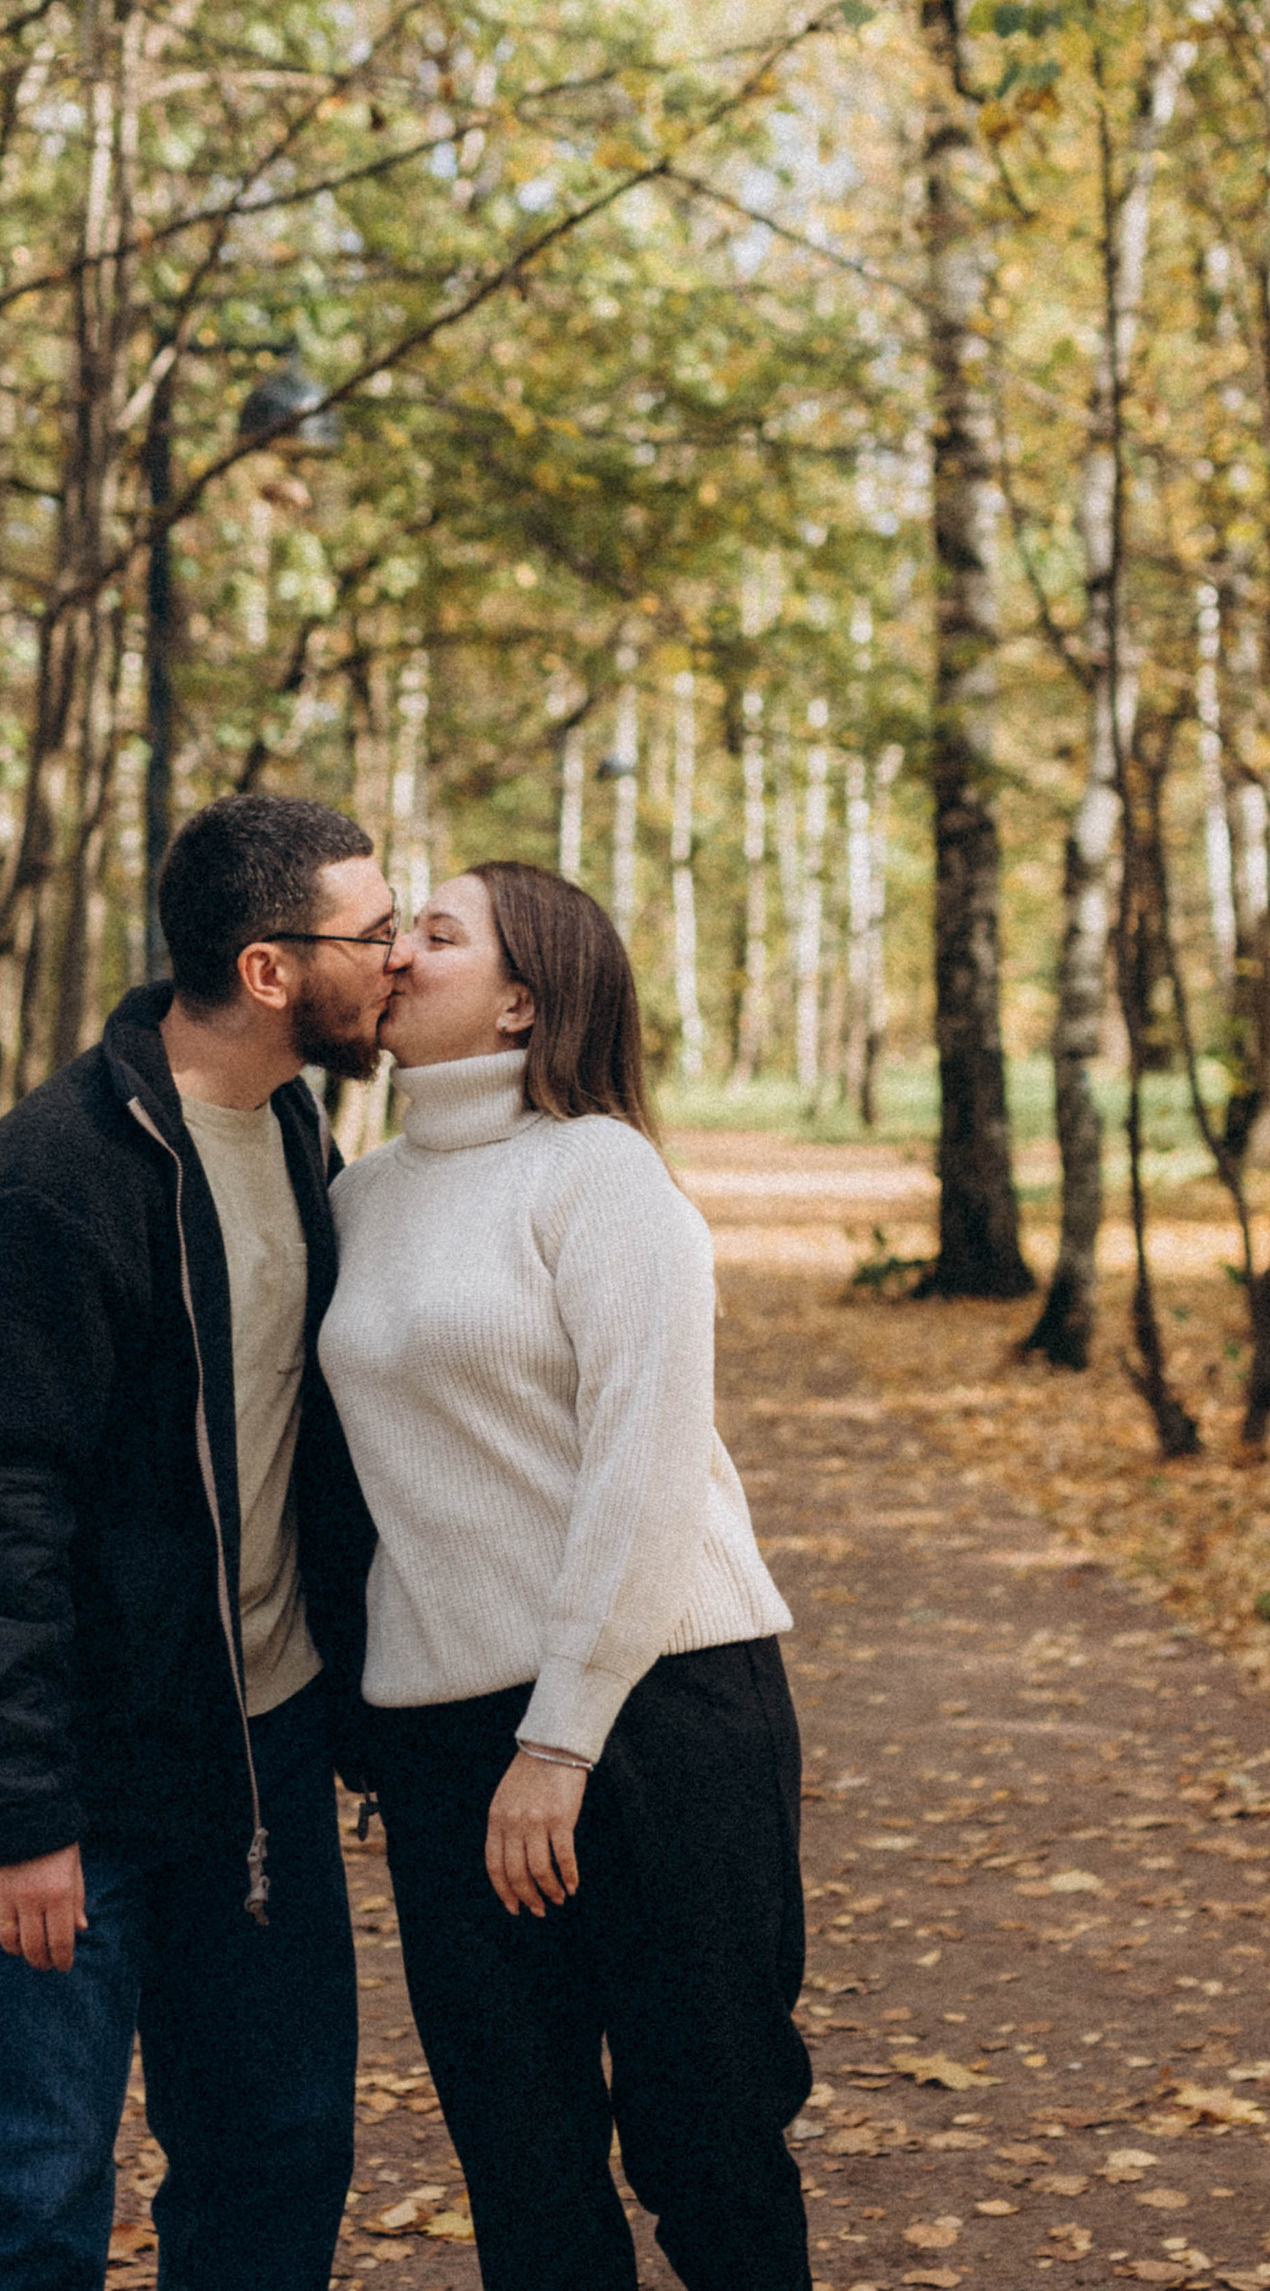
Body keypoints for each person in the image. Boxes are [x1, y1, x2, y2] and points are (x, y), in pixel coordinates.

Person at [0, 794, 395, 2291]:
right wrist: (23, 1815)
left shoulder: (295, 1129)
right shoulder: (53, 1184)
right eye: (375, 929)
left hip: (261, 1761)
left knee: (276, 2159)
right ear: (273, 968)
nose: (400, 956)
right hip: (79, 1775)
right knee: (27, 2193)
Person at [318, 859, 809, 2291]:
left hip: (658, 1711)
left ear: (524, 1001)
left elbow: (645, 1469)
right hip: (445, 1741)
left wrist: (561, 1736)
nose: (396, 952)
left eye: (437, 932)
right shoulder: (359, 1196)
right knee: (524, 2169)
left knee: (706, 2143)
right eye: (399, 925)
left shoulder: (603, 1175)